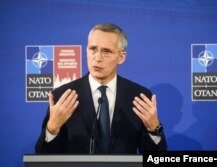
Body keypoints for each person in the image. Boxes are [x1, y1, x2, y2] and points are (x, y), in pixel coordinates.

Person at [35, 23, 167, 154]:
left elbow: (154, 157)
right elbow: (42, 154)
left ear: (121, 57)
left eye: (106, 51)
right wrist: (52, 129)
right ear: (86, 50)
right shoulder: (63, 96)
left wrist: (153, 129)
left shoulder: (139, 96)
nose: (97, 58)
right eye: (93, 49)